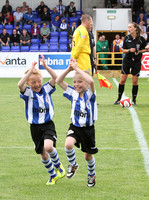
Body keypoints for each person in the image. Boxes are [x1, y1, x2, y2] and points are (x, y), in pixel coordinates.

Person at [18, 55, 65, 185]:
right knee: (43, 154)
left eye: (38, 81)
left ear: (41, 80)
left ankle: (58, 164)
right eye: (33, 82)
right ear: (28, 83)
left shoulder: (46, 89)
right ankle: (52, 175)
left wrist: (45, 66)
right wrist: (30, 71)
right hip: (34, 127)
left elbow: (57, 78)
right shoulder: (27, 92)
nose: (36, 84)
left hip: (48, 124)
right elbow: (19, 84)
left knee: (49, 147)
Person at [56, 59, 98, 187]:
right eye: (74, 82)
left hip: (88, 129)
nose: (76, 84)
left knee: (88, 157)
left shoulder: (91, 94)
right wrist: (70, 70)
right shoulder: (73, 93)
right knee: (68, 144)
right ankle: (73, 164)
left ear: (85, 82)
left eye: (80, 81)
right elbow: (58, 81)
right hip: (75, 126)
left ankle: (91, 174)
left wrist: (78, 69)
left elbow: (91, 81)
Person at [114, 22, 146, 105]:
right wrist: (129, 50)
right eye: (128, 27)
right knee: (122, 80)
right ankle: (118, 98)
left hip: (136, 61)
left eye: (130, 27)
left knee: (135, 81)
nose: (129, 29)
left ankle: (134, 100)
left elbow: (145, 49)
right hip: (127, 61)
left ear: (135, 28)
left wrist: (139, 51)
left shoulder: (141, 39)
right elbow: (123, 50)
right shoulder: (126, 38)